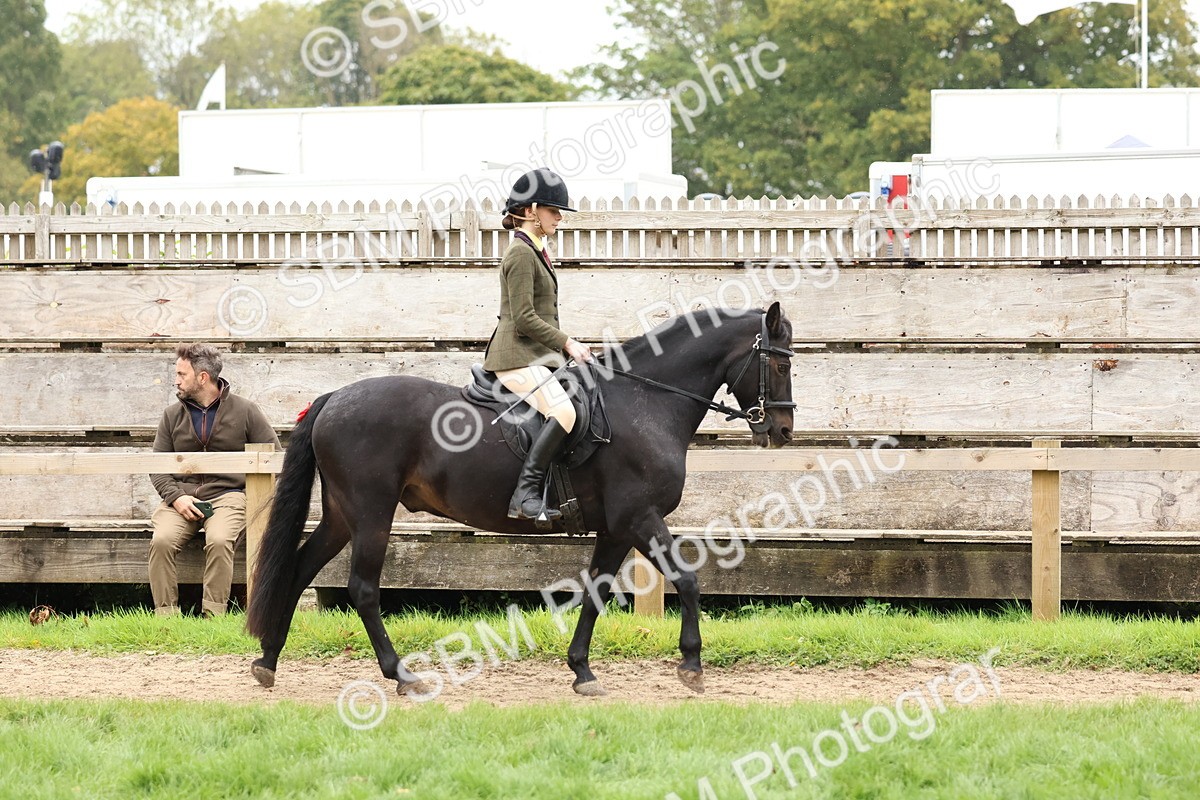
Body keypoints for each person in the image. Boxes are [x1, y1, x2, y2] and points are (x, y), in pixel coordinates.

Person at [483, 167, 593, 520]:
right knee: (564, 411)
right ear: (530, 211)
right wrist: (568, 343)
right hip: (514, 358)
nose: (559, 217)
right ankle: (525, 496)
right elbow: (524, 318)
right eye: (553, 210)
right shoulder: (520, 254)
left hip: (535, 356)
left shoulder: (535, 250)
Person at [148, 343, 280, 616]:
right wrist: (176, 497)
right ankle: (165, 619)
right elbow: (157, 466)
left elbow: (274, 458)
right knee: (161, 541)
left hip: (229, 496)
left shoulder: (246, 411)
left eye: (182, 374)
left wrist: (252, 497)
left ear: (203, 377)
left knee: (220, 540)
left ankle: (213, 616)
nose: (176, 380)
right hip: (181, 498)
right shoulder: (171, 415)